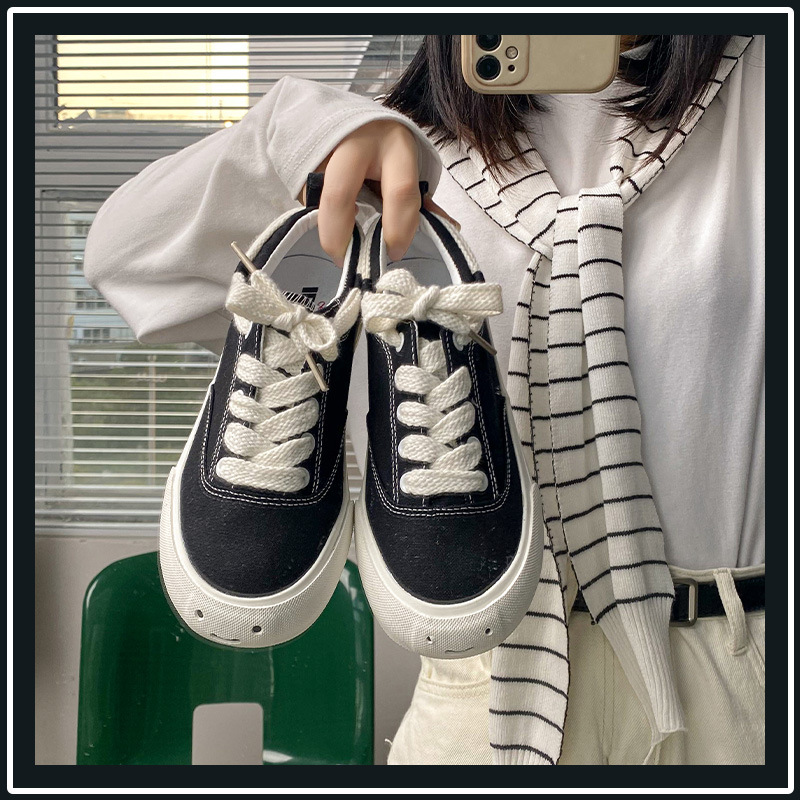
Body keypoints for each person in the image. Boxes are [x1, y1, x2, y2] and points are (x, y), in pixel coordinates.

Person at [84, 34, 765, 765]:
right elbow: (123, 256)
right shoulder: (381, 142)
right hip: (487, 680)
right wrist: (302, 129)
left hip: (739, 669)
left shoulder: (760, 92)